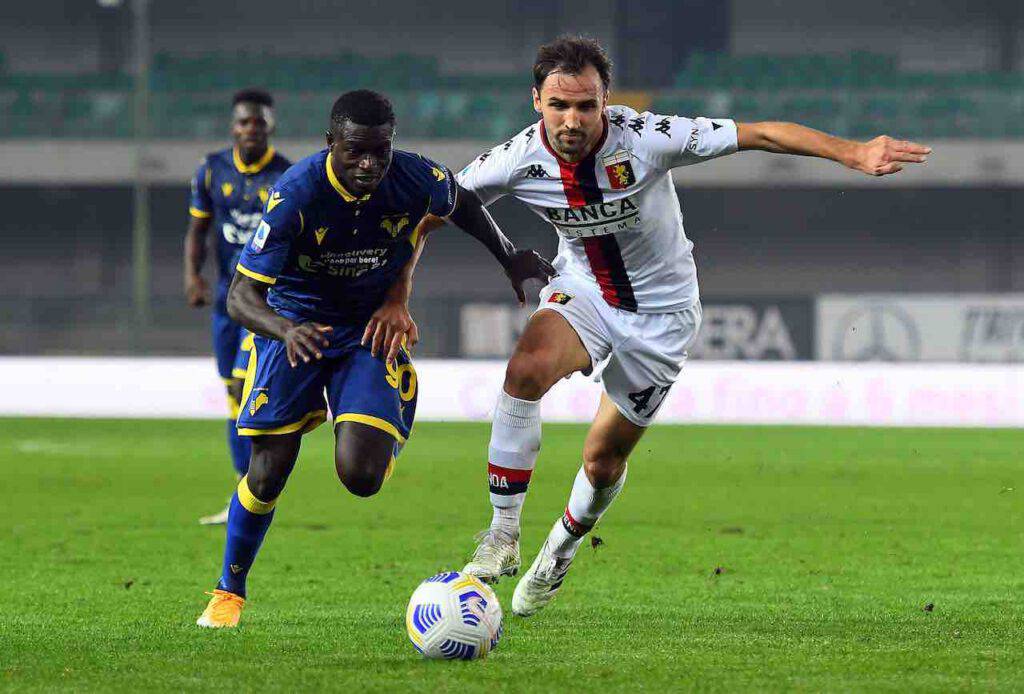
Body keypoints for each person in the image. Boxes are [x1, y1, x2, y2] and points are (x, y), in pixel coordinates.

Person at [456, 35, 931, 616]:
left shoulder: (651, 138)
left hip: (662, 319)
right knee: (524, 369)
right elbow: (435, 202)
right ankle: (503, 535)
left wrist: (852, 153)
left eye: (586, 106)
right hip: (583, 292)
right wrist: (401, 290)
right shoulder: (514, 159)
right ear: (536, 101)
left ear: (606, 101)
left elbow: (760, 133)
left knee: (601, 462)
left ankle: (560, 547)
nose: (572, 120)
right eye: (559, 106)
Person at [196, 89, 552, 628]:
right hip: (295, 328)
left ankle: (390, 399)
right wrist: (287, 330)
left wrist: (509, 256)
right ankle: (229, 592)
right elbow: (241, 297)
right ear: (330, 144)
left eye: (379, 151)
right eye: (355, 152)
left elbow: (463, 205)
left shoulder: (414, 176)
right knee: (268, 473)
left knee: (361, 477)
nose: (368, 164)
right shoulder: (296, 194)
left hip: (366, 331)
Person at [185, 89, 291, 525]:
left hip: (265, 301)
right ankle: (242, 494)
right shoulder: (212, 171)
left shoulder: (286, 174)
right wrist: (193, 276)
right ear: (234, 126)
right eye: (245, 122)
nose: (252, 129)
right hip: (227, 299)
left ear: (271, 126)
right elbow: (198, 229)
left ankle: (255, 492)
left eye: (260, 122)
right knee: (233, 393)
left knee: (249, 388)